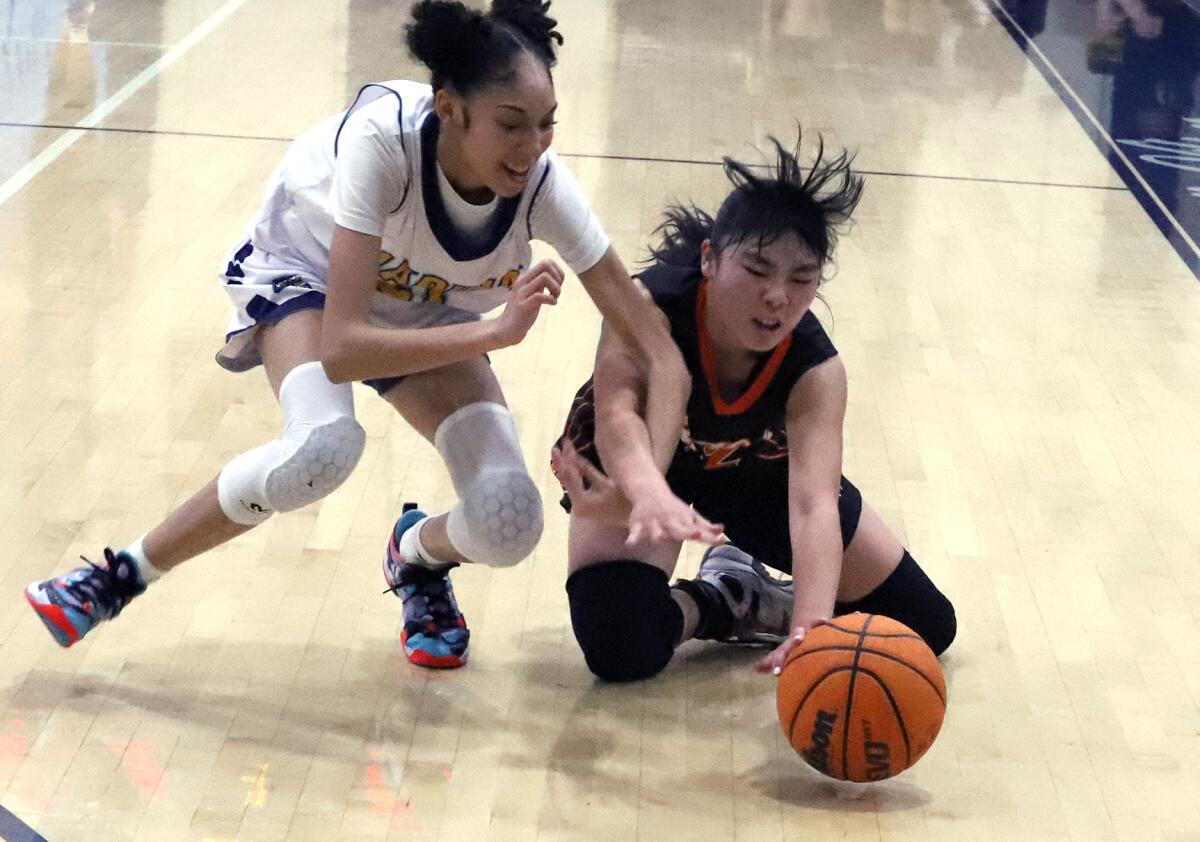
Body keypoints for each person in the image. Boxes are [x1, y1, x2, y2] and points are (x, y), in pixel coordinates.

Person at [24, 0, 719, 670]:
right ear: (449, 107)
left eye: (547, 124)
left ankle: (414, 556)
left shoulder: (542, 185)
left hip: (425, 304)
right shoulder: (381, 146)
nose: (533, 147)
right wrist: (495, 333)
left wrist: (651, 485)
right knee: (322, 448)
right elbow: (345, 346)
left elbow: (657, 348)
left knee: (509, 521)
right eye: (512, 124)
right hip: (312, 280)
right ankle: (120, 575)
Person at [552, 133, 957, 683]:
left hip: (754, 474)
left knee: (923, 625)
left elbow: (814, 504)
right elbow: (617, 414)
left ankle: (757, 601)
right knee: (620, 646)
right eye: (759, 269)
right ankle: (714, 602)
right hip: (645, 464)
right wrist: (648, 492)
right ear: (710, 260)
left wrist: (809, 632)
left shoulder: (816, 372)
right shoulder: (648, 308)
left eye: (801, 279)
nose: (778, 296)